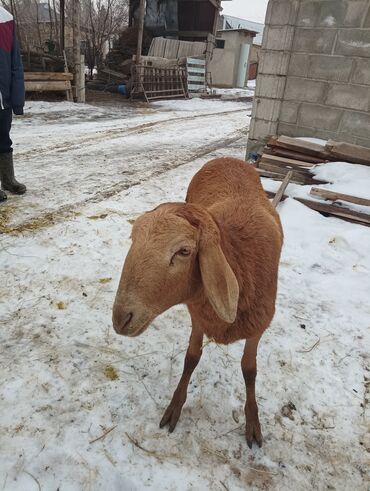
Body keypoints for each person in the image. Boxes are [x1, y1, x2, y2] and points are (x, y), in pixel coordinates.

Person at [0, 5, 26, 203]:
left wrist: (17, 100)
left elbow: (15, 62)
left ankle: (8, 180)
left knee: (4, 140)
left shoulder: (6, 20)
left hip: (2, 98)